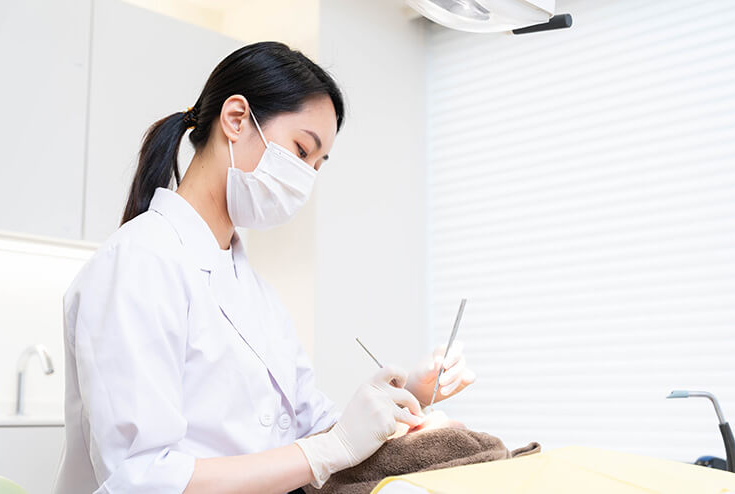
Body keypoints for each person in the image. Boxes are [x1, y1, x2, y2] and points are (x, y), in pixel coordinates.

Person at [51, 41, 476, 494]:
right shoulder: (138, 263)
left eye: (317, 165)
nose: (306, 177)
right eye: (301, 151)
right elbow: (142, 479)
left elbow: (312, 428)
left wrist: (408, 394)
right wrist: (327, 450)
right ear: (236, 119)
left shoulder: (252, 290)